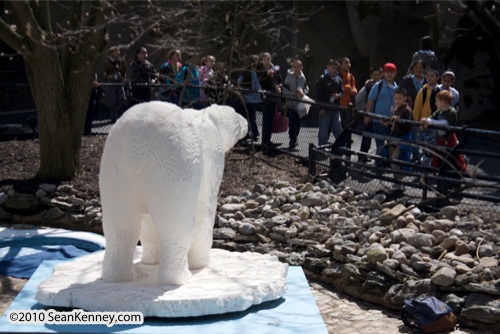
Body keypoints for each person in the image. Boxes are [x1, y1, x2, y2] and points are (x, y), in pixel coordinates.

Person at [421, 90, 466, 196]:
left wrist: (430, 122)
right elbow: (432, 117)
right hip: (440, 142)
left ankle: (455, 187)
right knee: (441, 164)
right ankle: (442, 188)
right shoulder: (439, 111)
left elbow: (445, 123)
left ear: (444, 101)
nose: (435, 103)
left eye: (437, 101)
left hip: (449, 142)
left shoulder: (452, 112)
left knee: (452, 164)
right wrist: (426, 120)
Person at [363, 63, 398, 159]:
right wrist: (367, 115)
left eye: (392, 72)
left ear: (395, 74)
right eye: (387, 72)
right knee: (380, 143)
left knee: (389, 143)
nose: (389, 74)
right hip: (378, 120)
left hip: (390, 121)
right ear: (383, 73)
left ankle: (385, 162)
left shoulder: (396, 87)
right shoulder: (378, 85)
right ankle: (379, 163)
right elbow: (370, 100)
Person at [384, 87, 413, 186]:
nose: (397, 101)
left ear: (405, 98)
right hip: (395, 137)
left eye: (400, 98)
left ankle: (400, 181)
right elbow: (392, 123)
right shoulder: (395, 109)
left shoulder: (407, 110)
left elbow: (407, 123)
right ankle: (398, 181)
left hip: (403, 138)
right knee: (393, 159)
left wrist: (398, 119)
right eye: (396, 98)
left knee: (396, 161)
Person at [412, 67, 440, 165]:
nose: (430, 78)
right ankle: (426, 163)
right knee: (424, 144)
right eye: (428, 76)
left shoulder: (440, 90)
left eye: (432, 76)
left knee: (434, 145)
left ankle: (430, 164)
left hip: (436, 123)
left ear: (437, 77)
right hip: (424, 123)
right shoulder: (423, 91)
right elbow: (417, 107)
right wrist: (416, 121)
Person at [399, 59, 426, 160]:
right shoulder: (407, 80)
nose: (418, 70)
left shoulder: (426, 81)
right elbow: (400, 91)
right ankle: (412, 155)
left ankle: (421, 155)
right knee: (411, 132)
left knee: (422, 133)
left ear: (424, 69)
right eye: (416, 68)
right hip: (410, 110)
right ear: (413, 69)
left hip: (423, 110)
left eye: (421, 68)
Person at [256, 52, 283, 147]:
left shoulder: (275, 69)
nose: (268, 61)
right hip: (266, 97)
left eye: (269, 59)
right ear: (262, 60)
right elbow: (261, 80)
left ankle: (268, 139)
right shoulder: (260, 70)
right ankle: (264, 141)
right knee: (266, 119)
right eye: (266, 59)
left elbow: (280, 80)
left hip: (274, 96)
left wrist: (280, 87)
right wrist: (267, 74)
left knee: (271, 119)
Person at [315, 59, 344, 146]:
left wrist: (338, 95)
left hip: (336, 108)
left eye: (336, 68)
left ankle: (341, 147)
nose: (334, 70)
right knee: (323, 130)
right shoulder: (321, 79)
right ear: (328, 67)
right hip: (325, 109)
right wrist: (321, 108)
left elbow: (342, 92)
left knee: (338, 128)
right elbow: (318, 95)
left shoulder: (339, 79)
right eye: (333, 68)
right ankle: (322, 148)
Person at [355, 66, 382, 155]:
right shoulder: (368, 87)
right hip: (370, 116)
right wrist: (366, 111)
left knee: (380, 138)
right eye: (374, 75)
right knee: (367, 137)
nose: (377, 77)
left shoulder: (384, 86)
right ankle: (362, 156)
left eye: (378, 75)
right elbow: (358, 100)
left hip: (380, 116)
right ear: (371, 76)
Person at [283, 59, 309, 150]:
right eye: (294, 67)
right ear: (292, 67)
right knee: (292, 123)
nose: (296, 69)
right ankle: (292, 141)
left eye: (298, 67)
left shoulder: (303, 78)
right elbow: (285, 91)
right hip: (291, 104)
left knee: (298, 124)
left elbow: (306, 89)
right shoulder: (288, 78)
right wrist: (294, 94)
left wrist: (303, 93)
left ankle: (295, 138)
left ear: (301, 67)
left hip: (299, 105)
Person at [237, 55, 262, 142]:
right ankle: (255, 133)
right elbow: (256, 87)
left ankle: (246, 134)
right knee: (252, 117)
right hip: (253, 99)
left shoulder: (244, 73)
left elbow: (239, 84)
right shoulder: (254, 74)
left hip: (244, 98)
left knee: (245, 117)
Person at [103, 46, 127, 123]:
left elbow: (124, 71)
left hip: (119, 82)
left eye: (118, 51)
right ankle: (113, 115)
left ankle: (116, 109)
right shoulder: (107, 62)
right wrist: (109, 78)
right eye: (116, 51)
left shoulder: (122, 61)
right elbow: (105, 73)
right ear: (112, 52)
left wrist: (122, 78)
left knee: (122, 98)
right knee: (112, 100)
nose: (118, 52)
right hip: (111, 83)